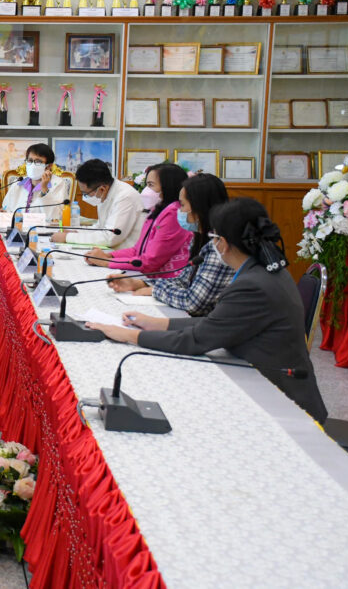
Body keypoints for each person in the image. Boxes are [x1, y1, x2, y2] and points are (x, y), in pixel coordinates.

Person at [86, 198, 328, 423]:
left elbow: (196, 340)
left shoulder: (253, 285)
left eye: (214, 237)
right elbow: (218, 322)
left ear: (223, 243)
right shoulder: (263, 269)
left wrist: (129, 335)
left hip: (281, 400)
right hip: (262, 380)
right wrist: (157, 323)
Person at [108, 174, 234, 316]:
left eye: (182, 205)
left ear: (198, 207)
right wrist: (140, 284)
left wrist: (155, 291)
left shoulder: (219, 245)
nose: (179, 210)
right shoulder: (199, 237)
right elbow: (183, 281)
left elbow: (194, 303)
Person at [84, 163, 192, 276]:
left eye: (151, 185)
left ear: (168, 186)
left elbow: (150, 262)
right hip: (148, 275)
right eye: (146, 185)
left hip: (163, 281)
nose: (146, 190)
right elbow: (137, 250)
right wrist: (108, 256)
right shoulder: (156, 211)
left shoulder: (173, 214)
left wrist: (106, 262)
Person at [51, 159, 143, 249]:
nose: (84, 197)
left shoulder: (125, 197)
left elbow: (110, 237)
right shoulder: (106, 192)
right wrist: (76, 232)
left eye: (85, 193)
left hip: (126, 252)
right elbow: (99, 228)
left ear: (102, 189)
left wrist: (67, 237)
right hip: (111, 249)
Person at [0, 143, 70, 223]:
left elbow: (56, 217)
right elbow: (6, 210)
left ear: (49, 166)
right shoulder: (18, 183)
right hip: (17, 228)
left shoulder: (58, 184)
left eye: (38, 161)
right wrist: (3, 214)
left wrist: (44, 189)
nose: (32, 165)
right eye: (30, 161)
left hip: (43, 230)